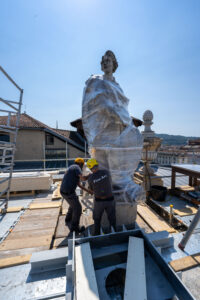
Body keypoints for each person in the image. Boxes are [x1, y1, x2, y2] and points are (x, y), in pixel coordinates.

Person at [60, 157, 91, 233]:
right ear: (81, 164)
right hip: (68, 191)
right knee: (78, 208)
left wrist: (88, 191)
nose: (82, 167)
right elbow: (83, 179)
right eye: (83, 165)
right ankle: (75, 228)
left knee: (73, 203)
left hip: (64, 191)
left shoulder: (72, 168)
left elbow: (79, 185)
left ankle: (68, 218)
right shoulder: (76, 167)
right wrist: (90, 175)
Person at [86, 158, 116, 235]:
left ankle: (97, 234)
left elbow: (92, 190)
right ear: (97, 165)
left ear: (90, 168)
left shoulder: (90, 178)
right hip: (110, 200)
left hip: (99, 202)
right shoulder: (106, 172)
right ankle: (114, 233)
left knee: (97, 219)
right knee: (112, 219)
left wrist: (89, 177)